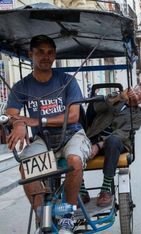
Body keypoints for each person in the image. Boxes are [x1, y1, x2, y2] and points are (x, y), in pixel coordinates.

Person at [5, 35, 91, 233]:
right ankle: (41, 215)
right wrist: (18, 123)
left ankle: (68, 216)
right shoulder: (22, 86)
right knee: (27, 166)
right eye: (40, 52)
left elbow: (74, 115)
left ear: (54, 56)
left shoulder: (67, 80)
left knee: (75, 162)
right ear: (31, 55)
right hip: (43, 140)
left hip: (71, 135)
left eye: (50, 52)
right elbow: (11, 113)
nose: (46, 56)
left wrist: (38, 120)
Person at [81, 82, 141, 207]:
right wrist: (119, 97)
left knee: (113, 140)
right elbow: (95, 107)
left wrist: (99, 145)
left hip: (117, 144)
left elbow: (122, 133)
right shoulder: (116, 97)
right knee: (73, 142)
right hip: (93, 137)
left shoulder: (139, 114)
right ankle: (81, 190)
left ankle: (105, 189)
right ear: (135, 87)